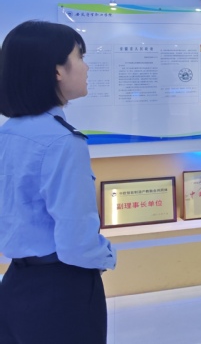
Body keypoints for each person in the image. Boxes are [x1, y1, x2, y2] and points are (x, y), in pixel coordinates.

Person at [0, 20, 117, 344]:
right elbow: (77, 242)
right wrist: (106, 256)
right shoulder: (62, 141)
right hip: (61, 293)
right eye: (80, 57)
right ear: (57, 71)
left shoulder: (8, 133)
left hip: (15, 285)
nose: (86, 67)